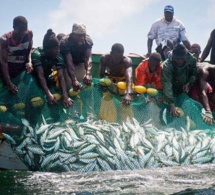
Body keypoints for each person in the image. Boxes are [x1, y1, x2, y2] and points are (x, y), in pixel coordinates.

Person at [32, 29, 73, 108]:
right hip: (34, 81)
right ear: (47, 50)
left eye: (58, 48)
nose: (58, 51)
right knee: (36, 102)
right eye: (55, 49)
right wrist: (48, 94)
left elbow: (60, 76)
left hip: (48, 79)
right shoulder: (37, 54)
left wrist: (65, 96)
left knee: (56, 97)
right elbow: (41, 76)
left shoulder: (58, 55)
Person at [161, 42, 197, 117]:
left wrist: (189, 83)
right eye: (177, 59)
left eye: (182, 59)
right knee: (168, 112)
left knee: (185, 112)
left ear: (186, 56)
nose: (180, 61)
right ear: (173, 57)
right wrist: (171, 103)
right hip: (171, 88)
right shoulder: (167, 65)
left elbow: (194, 73)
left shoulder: (191, 59)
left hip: (184, 88)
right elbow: (167, 84)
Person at [0, 16, 33, 94]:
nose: (22, 34)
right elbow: (3, 63)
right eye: (20, 31)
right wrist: (9, 83)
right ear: (14, 27)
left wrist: (29, 62)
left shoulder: (29, 34)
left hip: (21, 69)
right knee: (9, 94)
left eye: (24, 31)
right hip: (9, 71)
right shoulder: (4, 40)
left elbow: (29, 51)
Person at [60, 23, 93, 91]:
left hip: (81, 63)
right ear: (72, 34)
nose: (81, 38)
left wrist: (88, 73)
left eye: (83, 35)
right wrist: (74, 80)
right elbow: (69, 62)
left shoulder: (88, 40)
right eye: (78, 36)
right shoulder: (65, 42)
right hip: (68, 65)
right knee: (70, 85)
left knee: (86, 84)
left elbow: (87, 58)